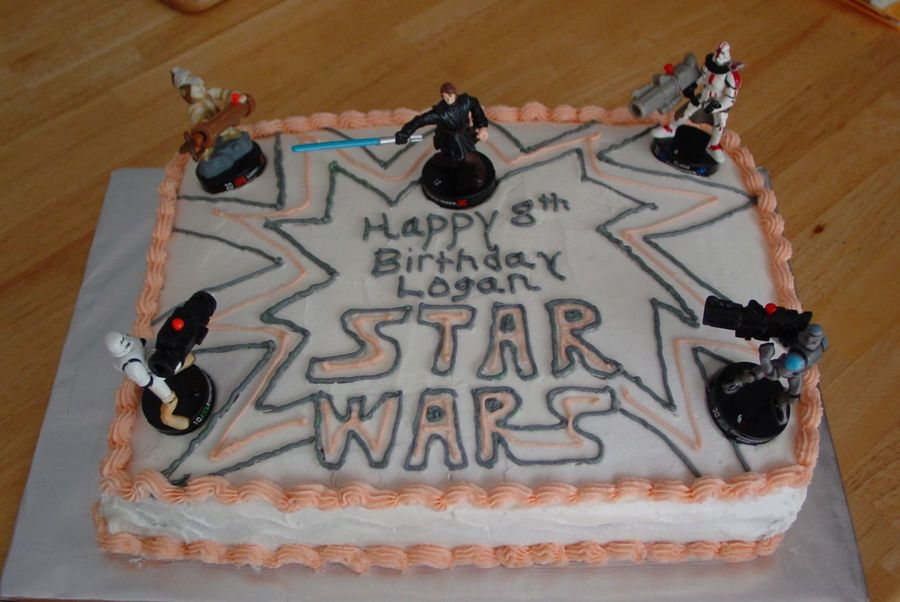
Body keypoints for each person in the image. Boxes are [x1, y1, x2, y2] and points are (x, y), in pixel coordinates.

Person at [651, 42, 742, 163]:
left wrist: (717, 106)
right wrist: (693, 86)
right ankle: (671, 129)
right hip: (704, 96)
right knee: (685, 112)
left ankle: (713, 145)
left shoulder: (731, 75)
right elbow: (702, 78)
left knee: (719, 124)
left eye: (722, 54)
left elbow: (730, 98)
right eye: (717, 53)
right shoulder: (708, 65)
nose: (718, 56)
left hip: (718, 102)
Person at [395, 82, 490, 188]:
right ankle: (451, 162)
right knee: (448, 153)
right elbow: (419, 120)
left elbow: (476, 108)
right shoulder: (439, 112)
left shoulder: (466, 101)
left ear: (455, 94)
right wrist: (404, 134)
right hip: (447, 136)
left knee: (468, 157)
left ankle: (479, 168)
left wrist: (482, 127)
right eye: (445, 97)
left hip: (462, 135)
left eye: (450, 96)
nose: (448, 99)